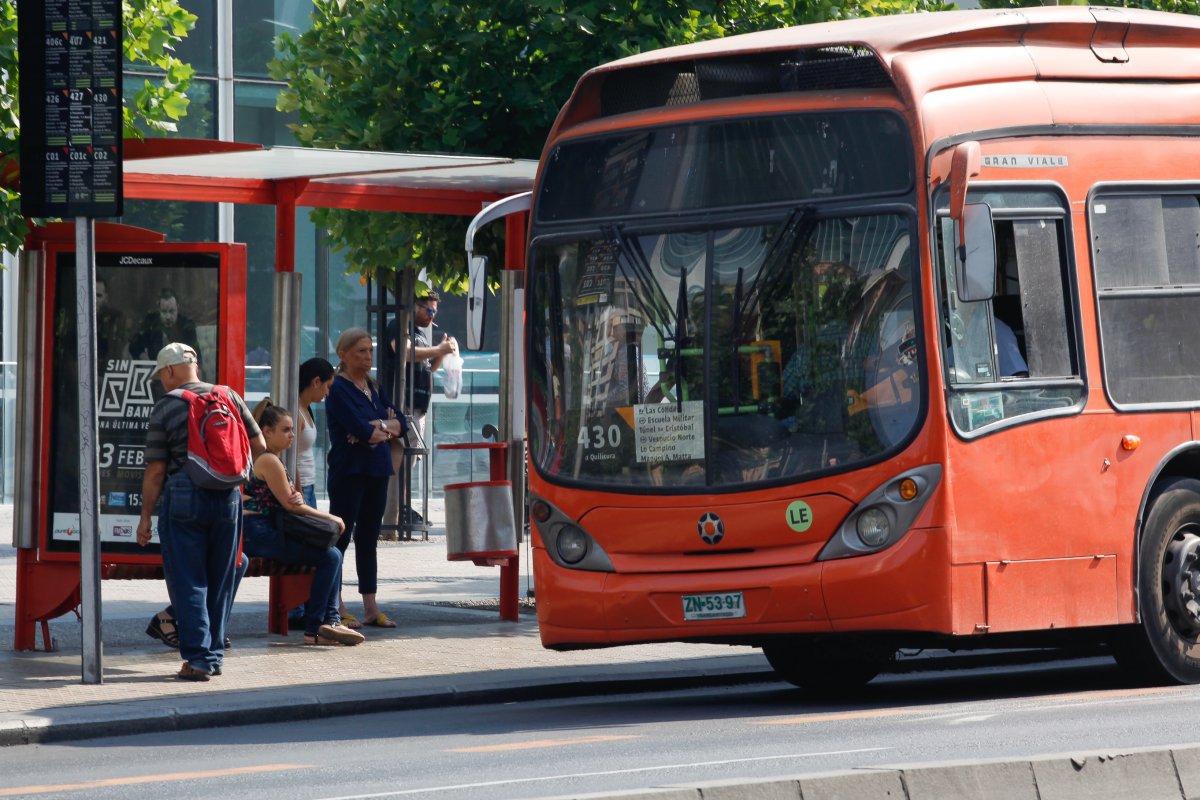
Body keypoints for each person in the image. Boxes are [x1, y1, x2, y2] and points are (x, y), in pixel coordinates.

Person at [136, 343, 265, 681]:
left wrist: (146, 516)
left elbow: (155, 471)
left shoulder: (167, 406)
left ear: (169, 371)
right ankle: (213, 656)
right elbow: (260, 445)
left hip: (182, 495)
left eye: (161, 376)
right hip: (228, 496)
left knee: (189, 580)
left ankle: (198, 660)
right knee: (220, 580)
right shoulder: (229, 396)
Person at [242, 399, 363, 646]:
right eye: (285, 430)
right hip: (260, 534)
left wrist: (291, 496)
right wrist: (332, 517)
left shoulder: (269, 459)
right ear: (267, 431)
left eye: (292, 429)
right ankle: (320, 624)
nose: (292, 435)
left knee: (332, 556)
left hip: (264, 532)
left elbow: (287, 500)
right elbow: (290, 505)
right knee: (331, 557)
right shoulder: (269, 460)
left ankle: (325, 621)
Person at [326, 327, 407, 629]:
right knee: (341, 537)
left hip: (377, 470)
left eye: (370, 350)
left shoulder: (372, 386)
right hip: (349, 471)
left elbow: (401, 423)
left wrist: (380, 427)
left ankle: (371, 606)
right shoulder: (337, 389)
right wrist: (381, 429)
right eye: (361, 351)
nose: (368, 356)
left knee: (369, 538)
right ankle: (336, 603)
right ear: (343, 354)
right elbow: (363, 431)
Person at [384, 290, 457, 529]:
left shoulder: (420, 335)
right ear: (414, 305)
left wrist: (440, 350)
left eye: (434, 311)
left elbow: (427, 367)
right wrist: (439, 350)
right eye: (430, 310)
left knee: (411, 458)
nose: (432, 317)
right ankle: (394, 510)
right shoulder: (399, 326)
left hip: (418, 405)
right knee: (403, 456)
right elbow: (403, 353)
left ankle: (402, 506)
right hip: (403, 403)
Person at [296, 357, 335, 507]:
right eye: (328, 386)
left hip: (308, 485)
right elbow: (291, 456)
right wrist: (298, 490)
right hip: (302, 487)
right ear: (316, 382)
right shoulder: (297, 412)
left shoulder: (305, 408)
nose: (328, 393)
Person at [128, 288, 200, 362]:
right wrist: (145, 360)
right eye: (164, 312)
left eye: (172, 311)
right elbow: (134, 345)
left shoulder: (187, 325)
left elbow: (195, 355)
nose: (168, 317)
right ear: (159, 310)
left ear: (177, 308)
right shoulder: (151, 322)